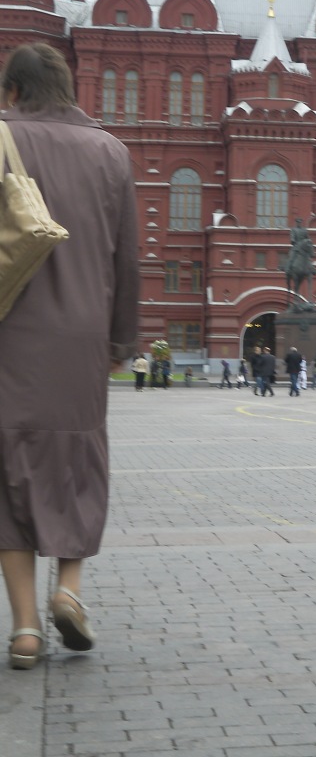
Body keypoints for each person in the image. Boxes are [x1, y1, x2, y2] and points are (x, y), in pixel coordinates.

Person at [0, 42, 138, 669]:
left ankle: (25, 629)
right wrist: (121, 342)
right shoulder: (109, 151)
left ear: (12, 91)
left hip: (9, 335)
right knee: (77, 465)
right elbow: (127, 260)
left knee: (8, 472)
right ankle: (69, 591)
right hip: (83, 338)